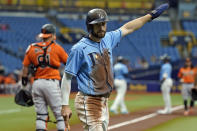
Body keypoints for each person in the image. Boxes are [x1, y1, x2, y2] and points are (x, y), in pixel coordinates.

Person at [61, 3, 169, 131]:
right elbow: (67, 77)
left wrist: (149, 16)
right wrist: (65, 105)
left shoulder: (108, 38)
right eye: (97, 24)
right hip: (88, 100)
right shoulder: (79, 49)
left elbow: (128, 28)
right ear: (90, 26)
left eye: (103, 24)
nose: (101, 27)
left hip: (104, 101)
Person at [21, 24, 68, 131]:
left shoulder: (32, 48)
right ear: (53, 35)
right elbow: (68, 63)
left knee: (41, 115)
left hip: (36, 84)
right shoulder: (57, 48)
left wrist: (24, 83)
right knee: (59, 115)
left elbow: (25, 68)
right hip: (51, 83)